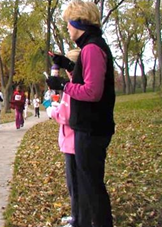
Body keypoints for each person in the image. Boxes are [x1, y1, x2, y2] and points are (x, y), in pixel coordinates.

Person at [45, 1, 116, 226]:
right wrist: (66, 63)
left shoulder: (93, 48)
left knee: (92, 187)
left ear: (79, 22)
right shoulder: (89, 47)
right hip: (88, 127)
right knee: (88, 185)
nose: (67, 27)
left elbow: (92, 91)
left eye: (68, 22)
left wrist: (64, 85)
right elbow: (84, 75)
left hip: (92, 129)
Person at [46, 49, 80, 227]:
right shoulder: (74, 84)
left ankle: (78, 220)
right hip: (74, 142)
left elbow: (65, 116)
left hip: (73, 143)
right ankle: (77, 215)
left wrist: (51, 111)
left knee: (74, 183)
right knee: (75, 182)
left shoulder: (73, 86)